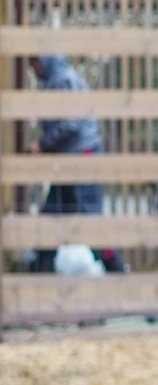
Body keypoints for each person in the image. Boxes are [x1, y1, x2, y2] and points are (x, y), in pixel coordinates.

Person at [28, 54, 119, 273]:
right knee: (53, 213)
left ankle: (117, 268)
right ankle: (41, 268)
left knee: (88, 219)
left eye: (35, 63)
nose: (33, 69)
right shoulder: (58, 82)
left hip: (80, 156)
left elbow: (72, 123)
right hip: (70, 159)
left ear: (45, 61)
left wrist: (42, 144)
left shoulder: (62, 82)